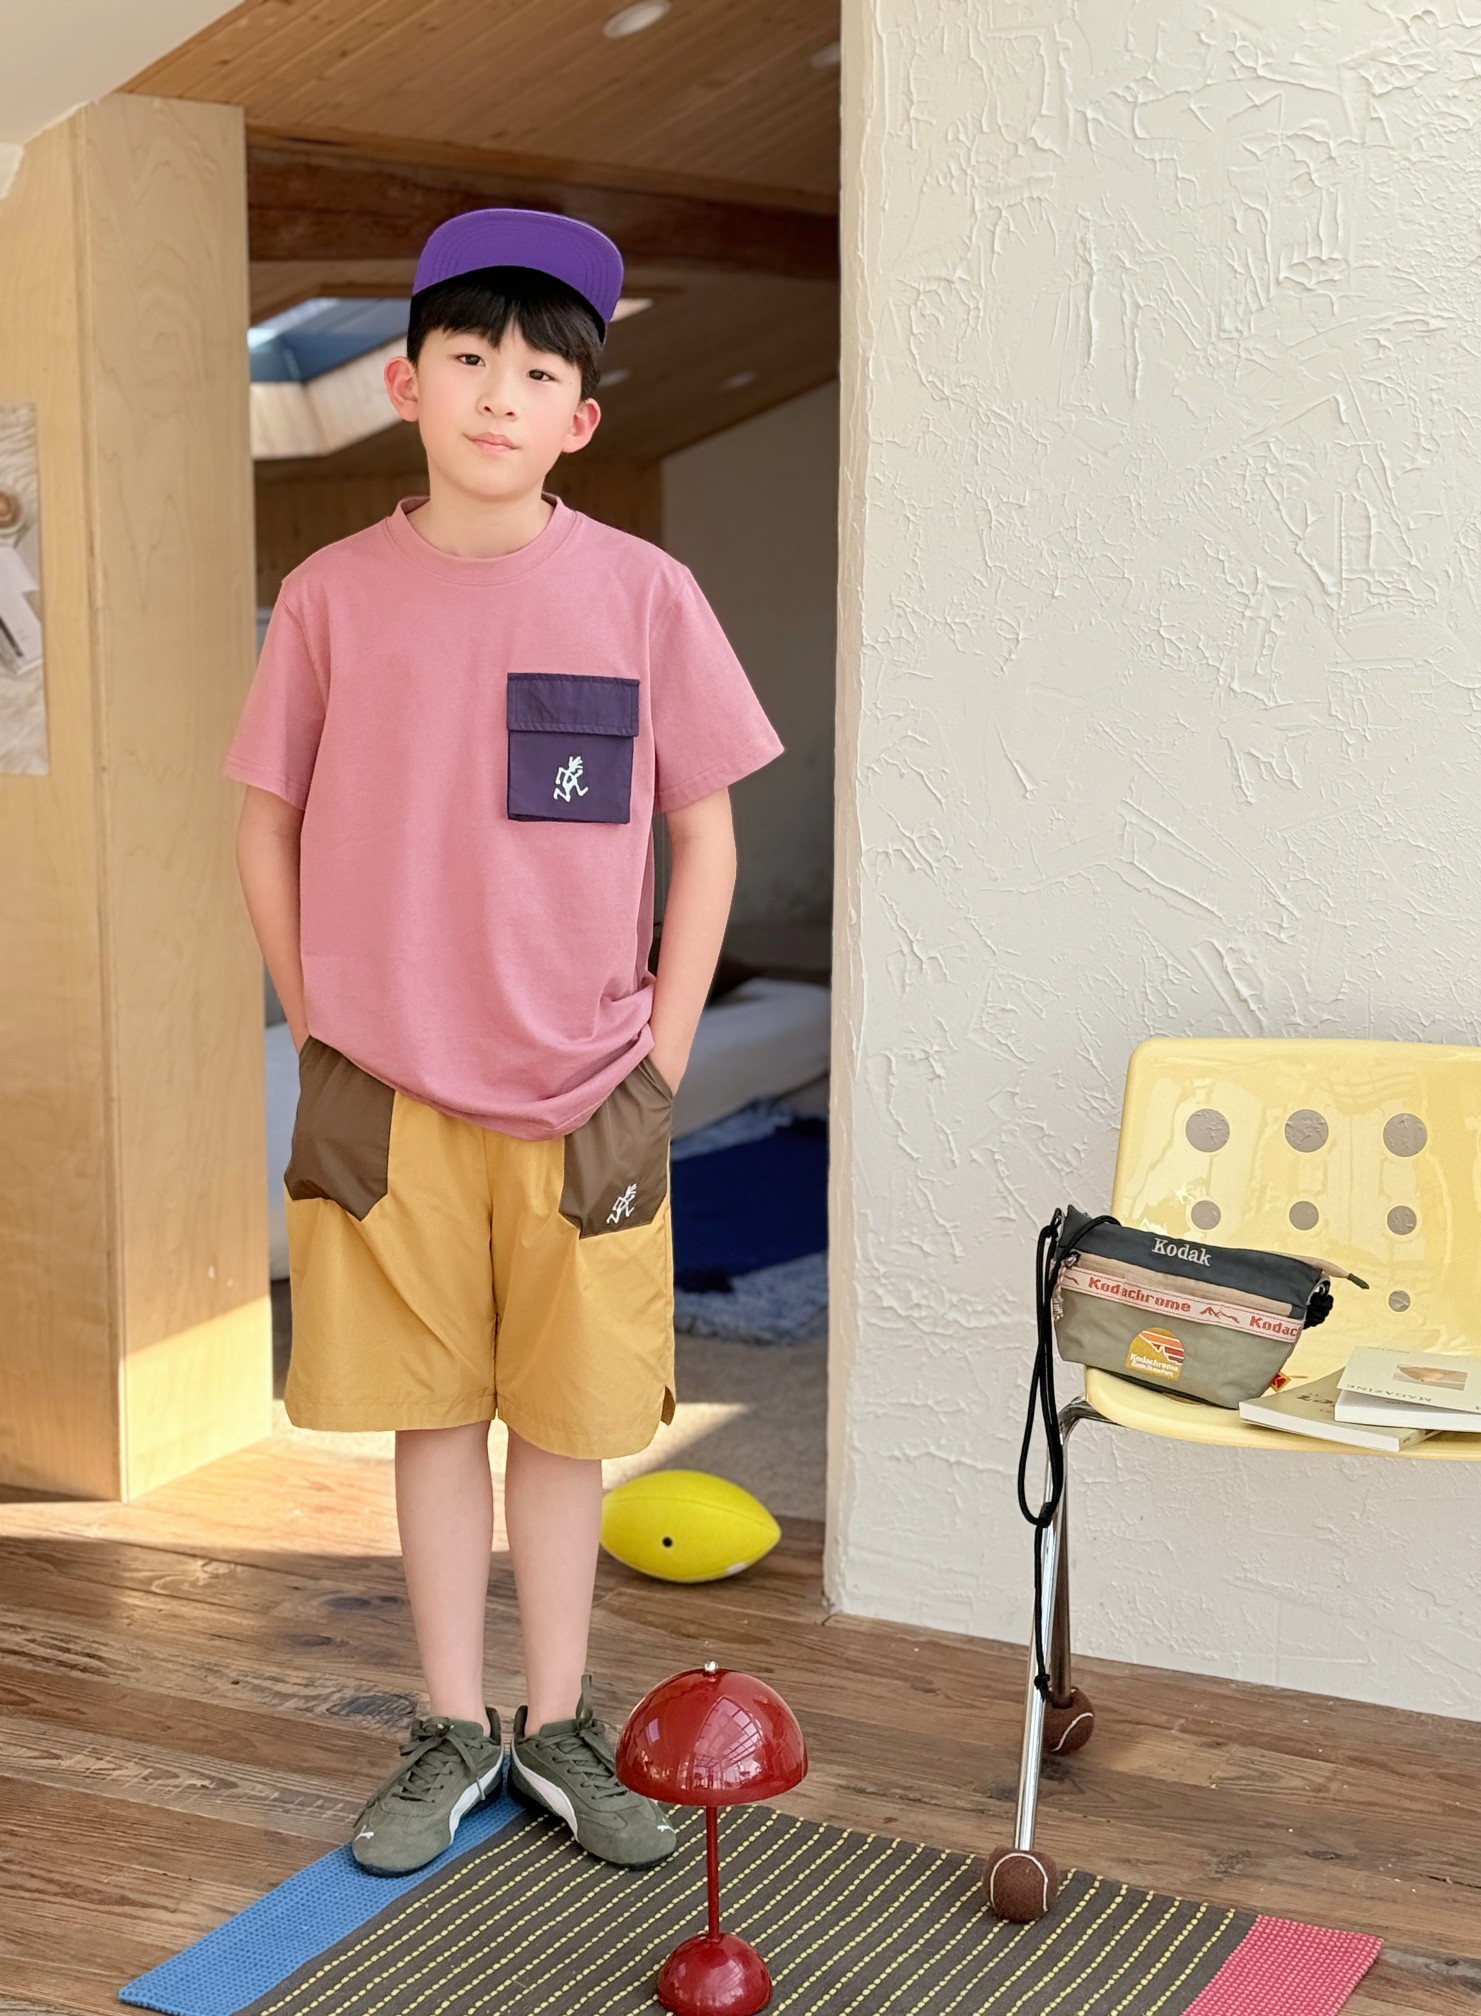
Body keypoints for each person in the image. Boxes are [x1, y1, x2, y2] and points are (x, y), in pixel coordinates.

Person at [225, 207, 784, 1877]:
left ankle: (558, 1721)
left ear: (581, 418)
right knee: (427, 1416)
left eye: (538, 373)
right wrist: (325, 1026)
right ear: (405, 381)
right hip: (385, 1092)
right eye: (467, 358)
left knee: (567, 1419)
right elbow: (265, 825)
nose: (497, 393)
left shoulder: (645, 593)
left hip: (590, 1092)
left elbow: (707, 834)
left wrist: (662, 1055)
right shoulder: (329, 596)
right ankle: (449, 1724)